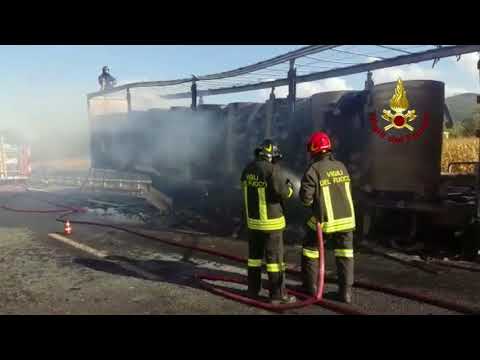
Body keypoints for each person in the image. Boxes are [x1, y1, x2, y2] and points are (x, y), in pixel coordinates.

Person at [299, 131, 356, 304]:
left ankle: (311, 288)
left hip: (324, 221)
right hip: (347, 218)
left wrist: (313, 207)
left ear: (314, 150)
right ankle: (345, 293)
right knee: (345, 254)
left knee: (310, 248)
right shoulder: (341, 166)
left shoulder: (313, 170)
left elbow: (305, 199)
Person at [240, 139, 296, 305]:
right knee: (274, 262)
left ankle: (252, 290)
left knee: (254, 259)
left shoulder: (248, 168)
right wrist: (291, 188)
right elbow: (283, 192)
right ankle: (277, 296)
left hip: (253, 223)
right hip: (271, 224)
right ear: (271, 156)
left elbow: (245, 189)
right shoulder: (272, 170)